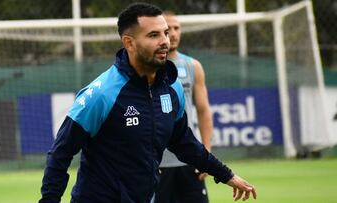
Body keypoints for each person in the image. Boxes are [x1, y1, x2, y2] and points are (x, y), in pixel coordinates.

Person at [39, 3, 257, 203]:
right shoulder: (102, 93)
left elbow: (184, 143)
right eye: (154, 35)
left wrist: (226, 175)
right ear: (129, 43)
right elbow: (61, 153)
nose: (165, 40)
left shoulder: (172, 87)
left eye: (165, 32)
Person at [154, 11, 213, 203]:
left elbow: (203, 110)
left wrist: (206, 152)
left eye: (176, 28)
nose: (173, 33)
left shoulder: (192, 66)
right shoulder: (147, 67)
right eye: (167, 29)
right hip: (157, 163)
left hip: (190, 160)